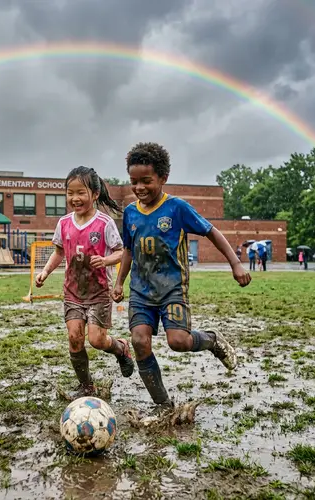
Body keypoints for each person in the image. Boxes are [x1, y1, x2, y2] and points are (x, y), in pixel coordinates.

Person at [112, 142, 251, 412]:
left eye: (146, 181)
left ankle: (211, 339)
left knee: (178, 342)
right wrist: (119, 281)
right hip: (141, 292)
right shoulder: (129, 213)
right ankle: (163, 405)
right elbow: (129, 249)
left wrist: (235, 264)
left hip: (172, 289)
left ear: (163, 178)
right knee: (140, 341)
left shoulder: (177, 208)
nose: (139, 188)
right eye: (133, 182)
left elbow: (211, 231)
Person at [35, 166, 134, 400]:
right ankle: (86, 385)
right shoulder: (64, 223)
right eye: (70, 193)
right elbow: (59, 252)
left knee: (97, 340)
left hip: (99, 291)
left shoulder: (104, 223)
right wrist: (45, 272)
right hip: (72, 292)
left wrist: (106, 259)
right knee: (74, 338)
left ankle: (121, 348)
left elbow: (123, 252)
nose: (75, 198)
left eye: (81, 193)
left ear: (95, 194)